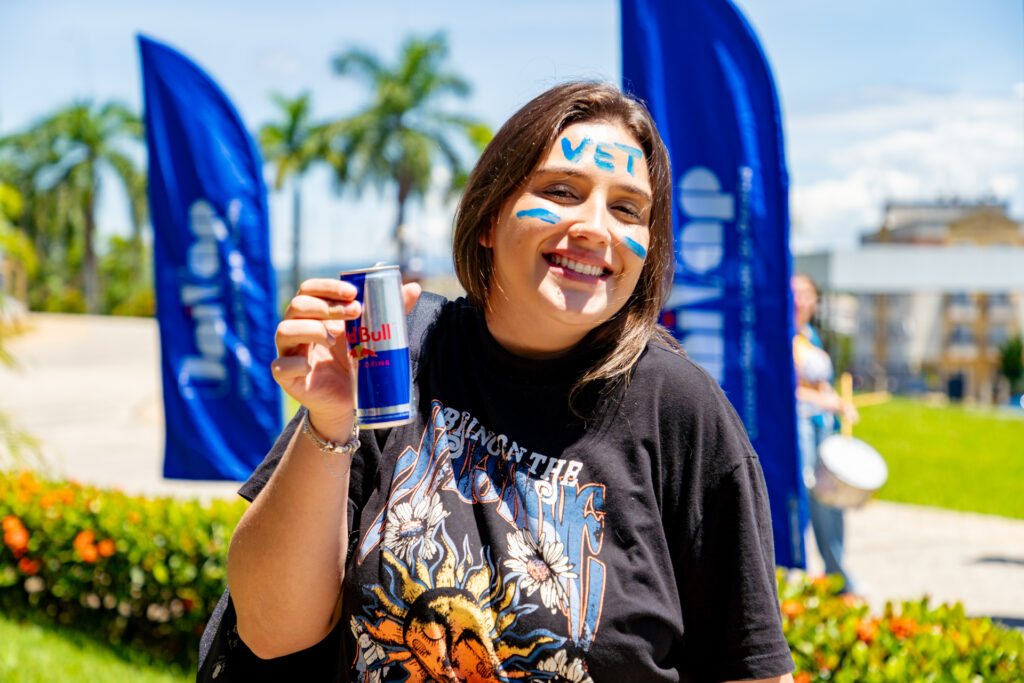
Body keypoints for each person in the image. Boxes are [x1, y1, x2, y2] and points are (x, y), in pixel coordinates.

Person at [203, 82, 795, 683]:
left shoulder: (683, 411)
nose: (596, 228)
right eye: (561, 191)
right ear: (488, 218)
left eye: (626, 209)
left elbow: (753, 669)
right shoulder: (398, 356)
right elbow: (272, 630)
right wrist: (328, 421)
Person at [791, 273, 860, 596]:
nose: (801, 299)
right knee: (806, 496)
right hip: (800, 428)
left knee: (831, 500)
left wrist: (842, 406)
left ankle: (836, 574)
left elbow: (822, 386)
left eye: (807, 293)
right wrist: (827, 401)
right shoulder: (785, 337)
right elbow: (791, 391)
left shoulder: (812, 336)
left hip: (823, 428)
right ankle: (796, 569)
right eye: (796, 293)